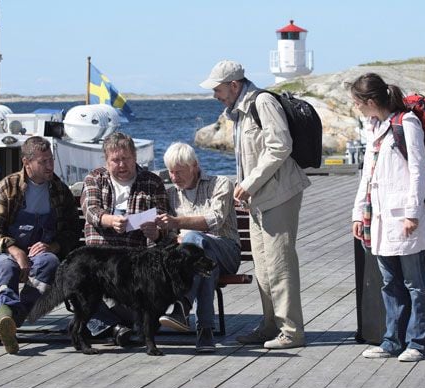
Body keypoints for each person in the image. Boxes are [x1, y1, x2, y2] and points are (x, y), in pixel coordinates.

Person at [200, 60, 311, 349]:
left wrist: (248, 185)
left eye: (218, 89)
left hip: (279, 194)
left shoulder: (262, 103)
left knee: (280, 263)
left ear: (234, 85)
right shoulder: (239, 112)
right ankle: (270, 324)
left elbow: (280, 146)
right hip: (260, 199)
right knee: (263, 265)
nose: (215, 95)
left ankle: (292, 331)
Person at [0, 136, 80, 354]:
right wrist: (14, 250)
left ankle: (6, 322)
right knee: (6, 268)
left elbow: (72, 231)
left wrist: (53, 246)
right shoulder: (7, 187)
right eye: (42, 161)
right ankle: (7, 319)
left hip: (39, 254)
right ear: (27, 163)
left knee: (50, 263)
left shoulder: (59, 190)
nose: (49, 166)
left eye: (51, 160)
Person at [349, 73, 425, 362]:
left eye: (357, 102)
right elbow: (367, 175)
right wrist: (358, 213)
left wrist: (412, 212)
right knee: (389, 281)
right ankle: (392, 339)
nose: (356, 107)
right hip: (379, 217)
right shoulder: (375, 128)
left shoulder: (406, 124)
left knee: (415, 283)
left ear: (370, 101)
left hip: (403, 217)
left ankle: (418, 342)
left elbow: (417, 171)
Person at [81, 131, 169, 346]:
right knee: (79, 284)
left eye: (126, 159)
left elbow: (164, 224)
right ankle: (114, 327)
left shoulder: (152, 182)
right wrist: (110, 220)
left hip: (133, 261)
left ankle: (114, 324)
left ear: (135, 157)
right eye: (116, 160)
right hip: (100, 257)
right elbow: (90, 209)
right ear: (106, 160)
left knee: (145, 303)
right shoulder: (95, 178)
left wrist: (156, 233)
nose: (121, 165)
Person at [155, 142, 241, 353]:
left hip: (226, 251)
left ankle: (183, 304)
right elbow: (171, 236)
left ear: (194, 165)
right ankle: (205, 331)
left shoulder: (220, 184)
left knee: (195, 239)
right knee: (203, 265)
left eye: (179, 172)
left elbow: (215, 221)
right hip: (197, 260)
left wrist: (178, 224)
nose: (174, 178)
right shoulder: (171, 194)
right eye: (171, 172)